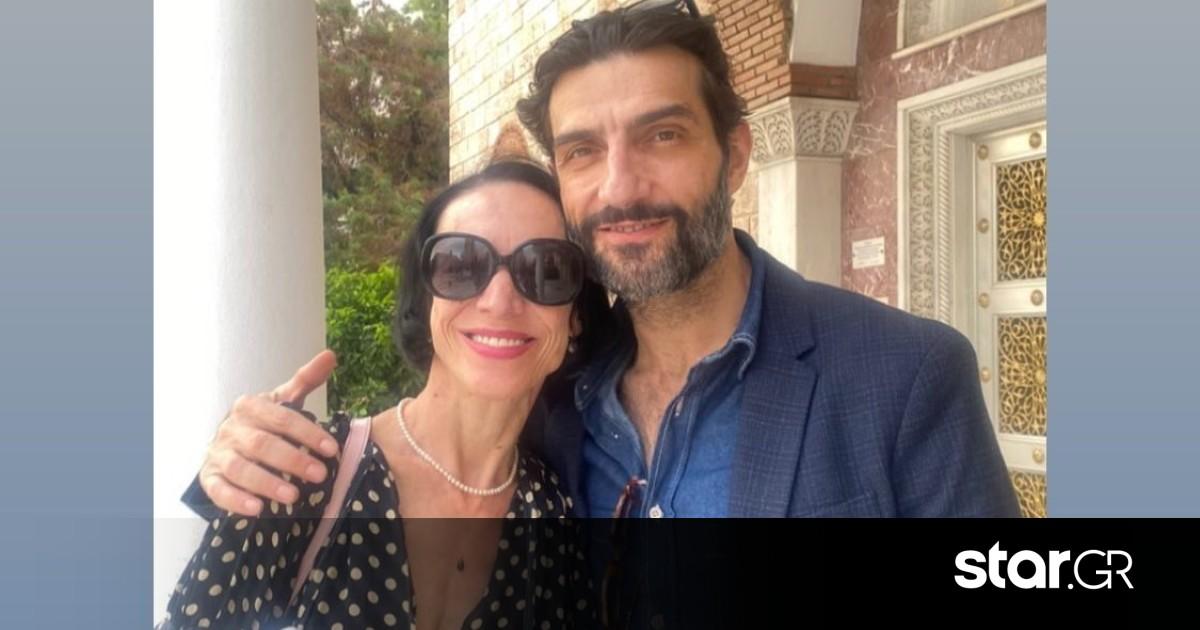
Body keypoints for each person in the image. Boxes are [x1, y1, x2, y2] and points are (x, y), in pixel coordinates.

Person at [189, 1, 1018, 525]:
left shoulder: (904, 376)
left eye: (663, 135)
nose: (621, 187)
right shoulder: (550, 395)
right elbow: (426, 452)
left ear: (734, 156)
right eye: (583, 151)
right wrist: (242, 454)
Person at [160, 159, 607, 629]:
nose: (500, 300)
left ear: (575, 316)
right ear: (426, 298)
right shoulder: (302, 472)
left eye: (546, 269)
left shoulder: (554, 512)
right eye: (460, 265)